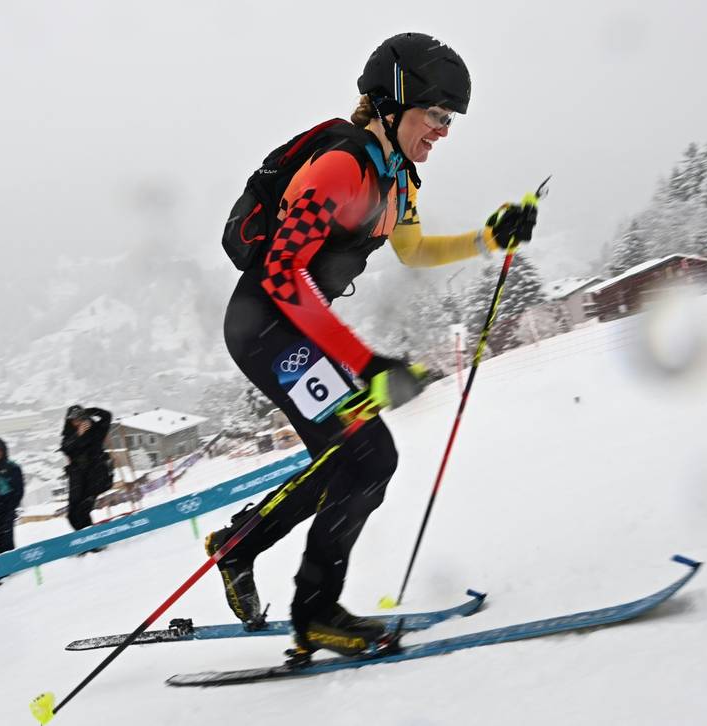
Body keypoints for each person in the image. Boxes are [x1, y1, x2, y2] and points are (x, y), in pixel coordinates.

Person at [209, 33, 539, 658]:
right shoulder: (343, 166)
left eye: (450, 120)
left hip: (297, 328)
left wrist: (489, 239)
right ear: (392, 103)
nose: (443, 130)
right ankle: (315, 611)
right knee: (367, 456)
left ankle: (241, 547)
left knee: (352, 459)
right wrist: (367, 363)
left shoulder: (396, 180)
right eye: (436, 114)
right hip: (263, 326)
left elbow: (414, 250)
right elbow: (281, 274)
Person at [59, 405, 113, 533]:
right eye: (73, 420)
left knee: (83, 511)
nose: (77, 422)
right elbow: (66, 448)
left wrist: (92, 411)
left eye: (79, 419)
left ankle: (92, 541)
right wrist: (78, 435)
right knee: (72, 515)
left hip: (95, 476)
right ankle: (86, 540)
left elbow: (107, 416)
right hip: (77, 478)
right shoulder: (69, 436)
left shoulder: (96, 431)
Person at [0, 439, 25, 556]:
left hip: (8, 507)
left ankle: (10, 563)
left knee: (7, 536)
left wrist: (11, 506)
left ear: (3, 451)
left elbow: (19, 489)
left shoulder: (13, 467)